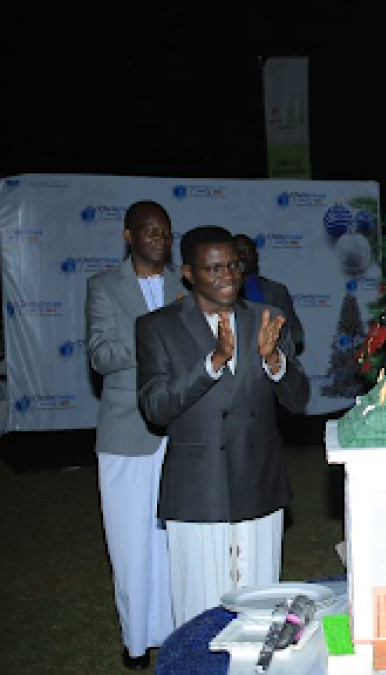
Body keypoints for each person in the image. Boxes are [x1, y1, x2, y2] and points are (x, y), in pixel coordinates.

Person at [136, 226, 309, 625]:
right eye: (213, 269)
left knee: (260, 609)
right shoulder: (157, 327)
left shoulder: (269, 320)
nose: (227, 277)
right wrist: (211, 364)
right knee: (201, 611)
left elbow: (298, 399)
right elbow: (156, 408)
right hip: (198, 489)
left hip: (258, 482)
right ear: (188, 273)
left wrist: (274, 361)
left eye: (233, 266)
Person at [86, 200, 184, 669]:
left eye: (164, 231)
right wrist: (155, 334)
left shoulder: (183, 285)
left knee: (170, 542)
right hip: (126, 431)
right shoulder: (104, 286)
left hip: (180, 430)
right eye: (148, 231)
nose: (158, 239)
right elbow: (102, 356)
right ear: (128, 236)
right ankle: (135, 642)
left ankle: (170, 631)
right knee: (130, 543)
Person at [233, 234, 304, 353]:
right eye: (237, 252)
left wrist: (276, 345)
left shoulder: (277, 290)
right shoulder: (218, 292)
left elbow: (296, 333)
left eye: (247, 251)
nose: (242, 256)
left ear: (257, 257)